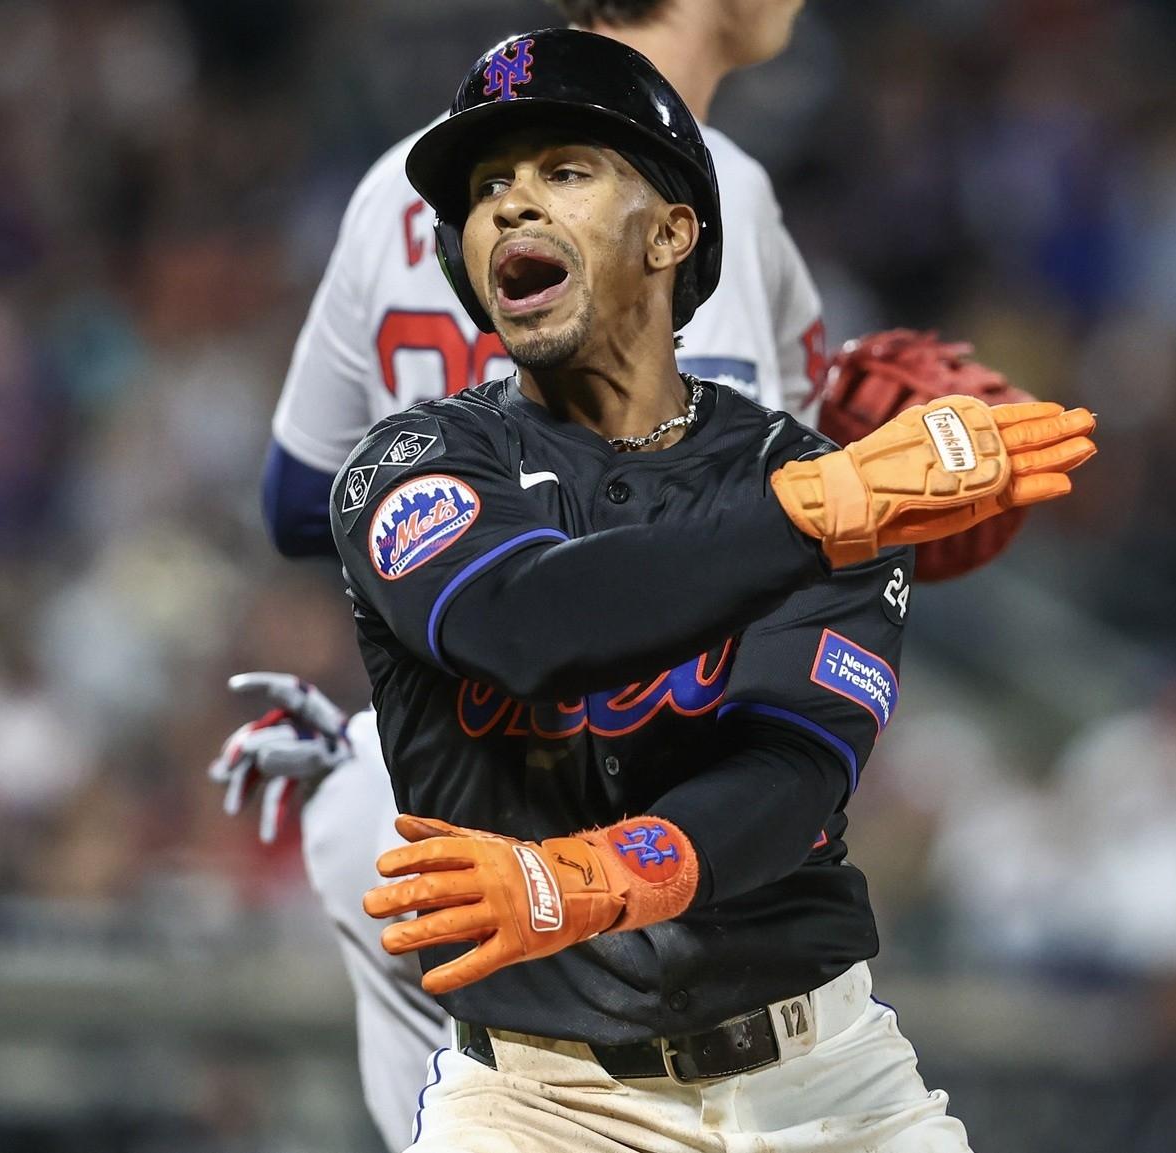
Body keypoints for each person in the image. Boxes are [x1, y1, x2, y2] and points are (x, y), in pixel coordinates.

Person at [210, 2, 1035, 1146]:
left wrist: (594, 878)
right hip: (543, 1097)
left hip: (824, 1081)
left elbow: (794, 774)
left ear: (671, 234)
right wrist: (813, 514)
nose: (510, 203)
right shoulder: (408, 462)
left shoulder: (799, 469)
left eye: (564, 168)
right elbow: (526, 621)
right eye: (485, 188)